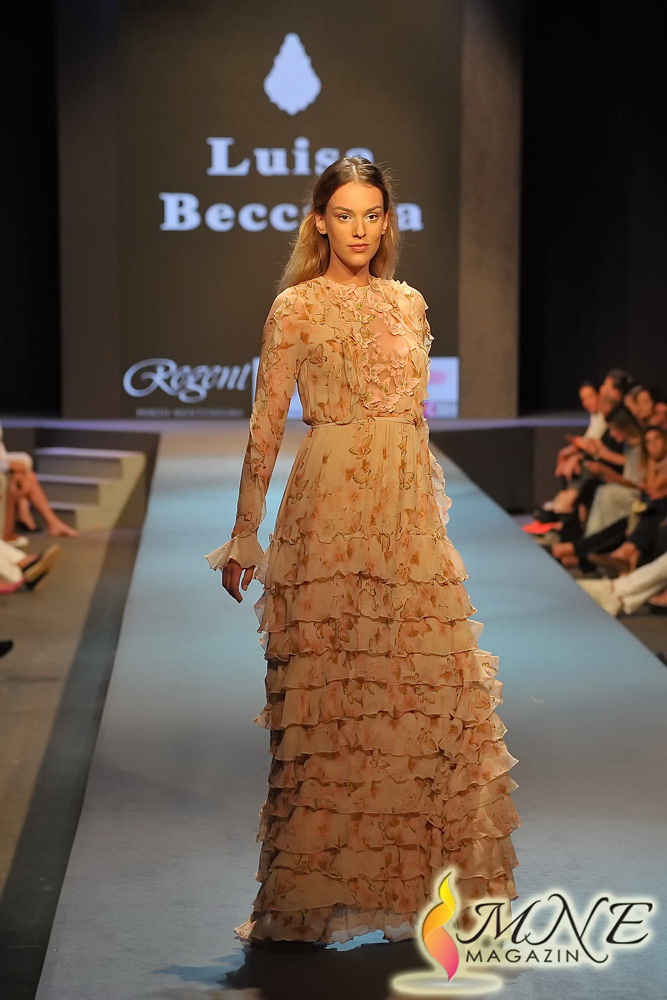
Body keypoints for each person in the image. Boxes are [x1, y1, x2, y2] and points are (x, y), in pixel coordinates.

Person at [204, 157, 521, 947]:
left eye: (370, 214)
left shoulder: (408, 303)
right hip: (327, 513)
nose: (357, 229)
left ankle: (415, 893)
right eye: (343, 214)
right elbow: (266, 422)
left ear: (386, 221)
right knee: (333, 702)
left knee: (418, 699)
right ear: (319, 221)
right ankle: (307, 900)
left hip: (405, 518)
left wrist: (428, 527)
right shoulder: (295, 307)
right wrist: (245, 530)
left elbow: (415, 423)